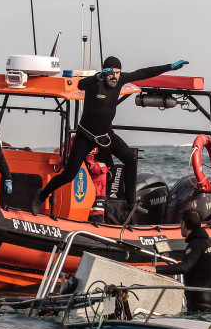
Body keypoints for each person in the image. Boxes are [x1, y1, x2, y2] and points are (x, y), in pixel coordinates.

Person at [31, 56, 188, 216]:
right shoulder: (95, 82)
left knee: (130, 158)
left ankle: (130, 203)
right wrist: (98, 76)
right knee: (69, 175)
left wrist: (170, 66)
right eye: (111, 73)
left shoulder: (121, 79)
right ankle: (41, 195)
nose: (114, 76)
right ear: (104, 72)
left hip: (106, 135)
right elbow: (80, 84)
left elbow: (143, 73)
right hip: (85, 136)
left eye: (117, 73)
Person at [140, 208, 211, 311]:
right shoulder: (209, 242)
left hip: (199, 303)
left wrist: (156, 269)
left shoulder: (195, 245)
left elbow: (185, 267)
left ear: (184, 224)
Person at [85, 144, 110, 223]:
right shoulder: (74, 140)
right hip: (78, 190)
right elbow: (62, 153)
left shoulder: (105, 143)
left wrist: (89, 165)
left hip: (97, 192)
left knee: (96, 220)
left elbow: (105, 166)